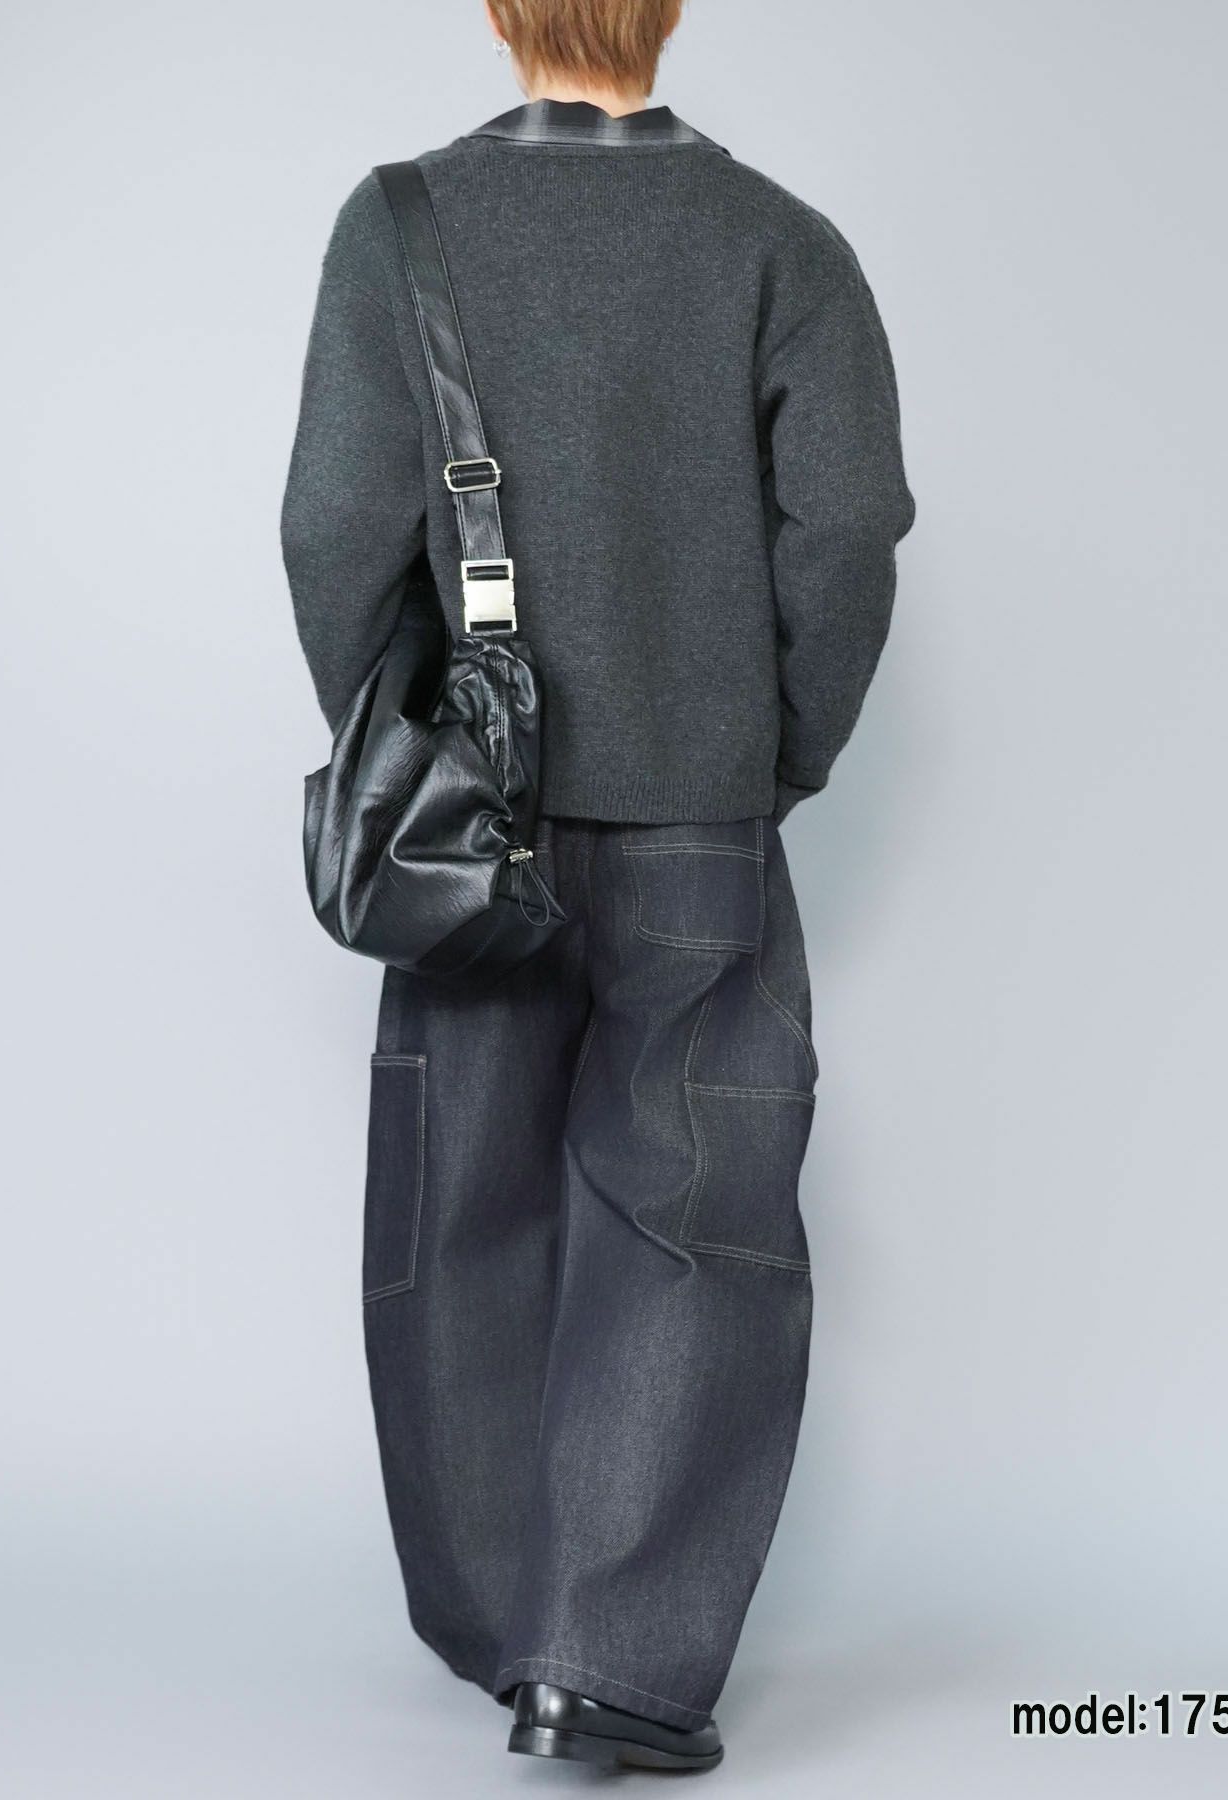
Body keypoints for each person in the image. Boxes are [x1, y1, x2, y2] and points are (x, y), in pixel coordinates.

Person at [280, 0, 913, 1772]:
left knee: (460, 1218)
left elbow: (335, 530)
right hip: (701, 811)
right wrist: (778, 748)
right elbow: (848, 528)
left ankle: (507, 1635)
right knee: (694, 1218)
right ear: (671, 10)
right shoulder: (785, 245)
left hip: (468, 827)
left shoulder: (398, 225)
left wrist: (412, 752)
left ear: (501, 11)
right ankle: (605, 1663)